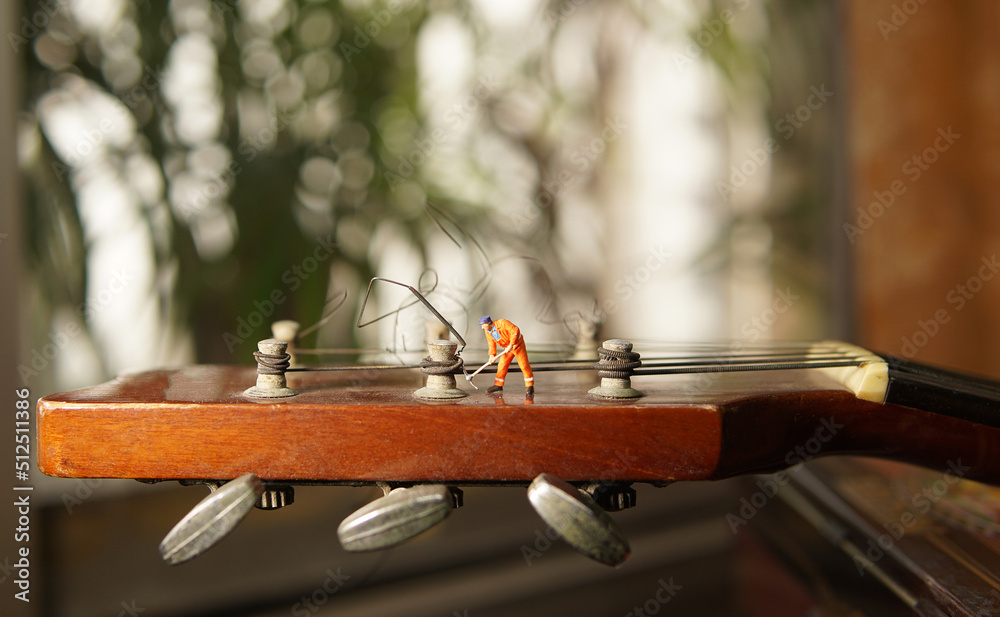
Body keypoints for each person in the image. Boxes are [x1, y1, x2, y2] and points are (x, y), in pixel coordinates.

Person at [479, 315, 533, 394]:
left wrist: (511, 344)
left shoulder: (502, 323)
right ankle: (498, 385)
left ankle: (529, 385)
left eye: (483, 325)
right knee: (502, 365)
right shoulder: (488, 332)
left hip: (517, 345)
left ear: (487, 323)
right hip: (507, 348)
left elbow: (515, 330)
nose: (482, 327)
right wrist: (491, 355)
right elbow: (491, 344)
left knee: (523, 365)